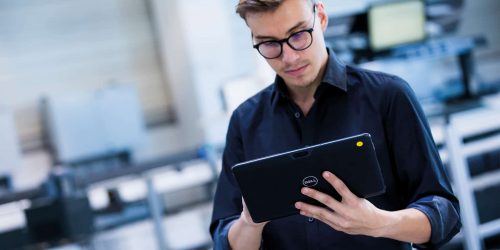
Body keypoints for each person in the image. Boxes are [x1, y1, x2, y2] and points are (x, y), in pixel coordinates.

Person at [210, 0, 461, 249]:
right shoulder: (245, 121)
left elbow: (444, 215)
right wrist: (250, 223)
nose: (289, 57)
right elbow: (227, 242)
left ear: (320, 17)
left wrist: (380, 223)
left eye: (298, 35)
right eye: (269, 43)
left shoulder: (388, 96)